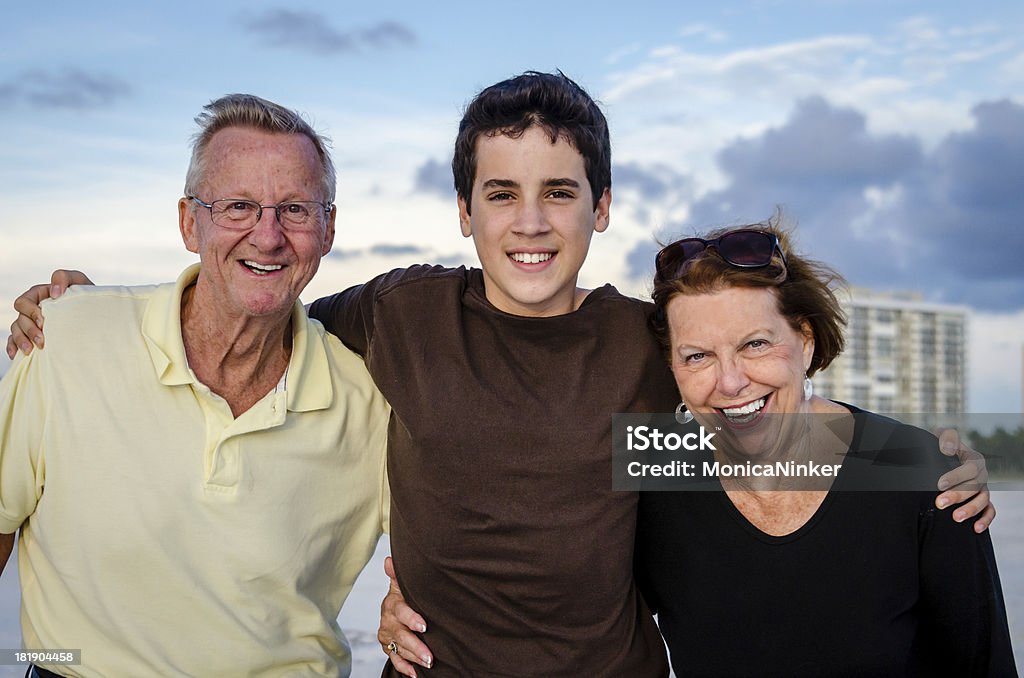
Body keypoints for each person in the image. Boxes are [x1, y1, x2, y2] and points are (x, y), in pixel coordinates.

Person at [5, 74, 995, 678]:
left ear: (600, 208)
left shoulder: (642, 346)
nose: (530, 222)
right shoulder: (395, 316)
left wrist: (926, 462)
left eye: (559, 192)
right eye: (501, 193)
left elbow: (751, 417)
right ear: (464, 210)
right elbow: (257, 302)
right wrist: (91, 305)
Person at [0, 94, 390, 677]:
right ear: (189, 222)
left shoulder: (370, 404)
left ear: (328, 229)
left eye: (296, 210)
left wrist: (414, 602)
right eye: (238, 206)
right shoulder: (67, 340)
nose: (267, 236)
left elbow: (457, 553)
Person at [634, 222, 1017, 675]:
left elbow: (984, 664)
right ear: (673, 368)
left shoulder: (925, 475)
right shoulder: (653, 487)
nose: (731, 382)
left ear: (806, 342)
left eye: (756, 344)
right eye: (697, 356)